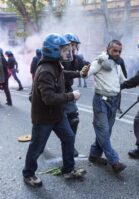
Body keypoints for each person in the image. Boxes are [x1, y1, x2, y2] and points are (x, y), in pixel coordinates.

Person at [22, 33, 87, 188]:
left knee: (69, 138)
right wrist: (71, 95)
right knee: (37, 147)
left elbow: (63, 74)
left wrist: (79, 73)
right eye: (64, 49)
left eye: (67, 49)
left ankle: (68, 170)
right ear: (53, 51)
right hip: (44, 118)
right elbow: (49, 98)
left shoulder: (55, 66)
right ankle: (28, 174)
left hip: (58, 115)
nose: (67, 52)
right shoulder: (45, 70)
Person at [86, 39, 127, 173]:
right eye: (115, 50)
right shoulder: (99, 61)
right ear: (108, 49)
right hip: (101, 102)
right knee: (103, 131)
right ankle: (114, 161)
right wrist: (85, 70)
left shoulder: (117, 64)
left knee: (106, 132)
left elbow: (123, 81)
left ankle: (94, 155)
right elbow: (86, 73)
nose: (117, 53)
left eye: (119, 51)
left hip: (114, 102)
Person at [62, 33, 90, 157]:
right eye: (70, 45)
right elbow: (62, 73)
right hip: (54, 92)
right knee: (45, 125)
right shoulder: (57, 57)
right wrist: (78, 74)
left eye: (74, 45)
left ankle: (70, 147)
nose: (73, 48)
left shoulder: (77, 58)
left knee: (73, 119)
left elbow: (86, 65)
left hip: (67, 90)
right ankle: (38, 146)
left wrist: (91, 66)